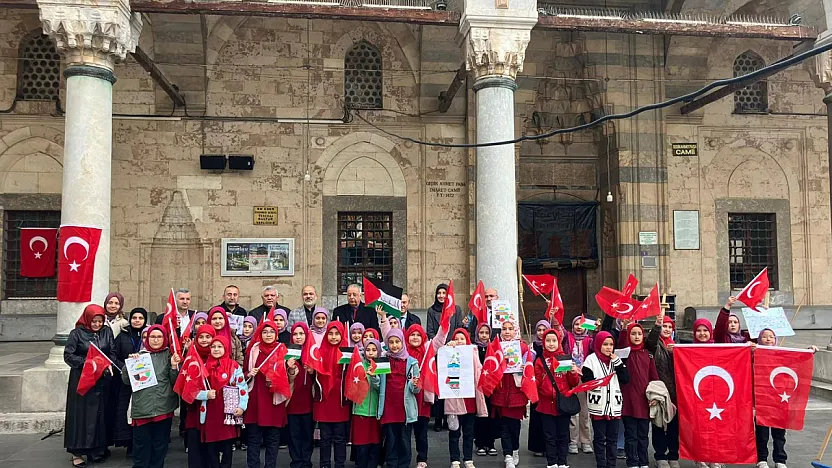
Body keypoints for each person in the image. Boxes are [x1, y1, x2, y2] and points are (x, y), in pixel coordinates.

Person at [64, 304, 117, 467]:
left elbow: (112, 351)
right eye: (94, 321)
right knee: (81, 416)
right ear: (87, 319)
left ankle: (97, 449)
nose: (97, 325)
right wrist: (88, 363)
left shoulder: (107, 332)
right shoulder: (77, 334)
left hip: (101, 380)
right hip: (82, 381)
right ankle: (77, 451)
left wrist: (106, 363)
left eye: (100, 321)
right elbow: (69, 355)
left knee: (99, 415)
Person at [122, 324, 181, 468]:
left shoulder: (170, 356)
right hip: (142, 410)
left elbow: (175, 382)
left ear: (165, 338)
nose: (156, 340)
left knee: (159, 449)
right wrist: (129, 365)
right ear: (147, 338)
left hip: (163, 408)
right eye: (152, 337)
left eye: (159, 337)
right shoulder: (140, 356)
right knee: (141, 449)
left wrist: (174, 367)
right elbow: (125, 380)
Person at [198, 335, 249, 468]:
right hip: (210, 413)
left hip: (227, 414)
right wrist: (205, 394)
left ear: (226, 348)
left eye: (220, 346)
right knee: (211, 448)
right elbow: (194, 389)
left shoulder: (234, 366)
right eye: (213, 346)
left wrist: (242, 407)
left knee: (227, 447)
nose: (216, 349)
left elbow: (242, 388)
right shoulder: (203, 367)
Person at [245, 320, 289, 468]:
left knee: (273, 439)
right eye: (265, 332)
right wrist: (249, 373)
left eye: (272, 332)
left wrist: (290, 369)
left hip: (273, 400)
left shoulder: (282, 349)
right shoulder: (253, 350)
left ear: (277, 334)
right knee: (253, 438)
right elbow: (243, 372)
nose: (268, 335)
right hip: (255, 400)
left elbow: (289, 375)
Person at [535, 328, 581, 468]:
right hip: (546, 405)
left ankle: (562, 462)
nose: (551, 343)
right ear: (543, 343)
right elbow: (536, 383)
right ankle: (552, 462)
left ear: (559, 342)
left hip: (563, 404)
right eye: (548, 341)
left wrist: (573, 373)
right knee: (549, 437)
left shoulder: (565, 358)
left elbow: (573, 383)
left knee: (563, 436)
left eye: (554, 340)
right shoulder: (540, 361)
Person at [582, 331, 630, 468]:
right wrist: (599, 382)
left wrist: (618, 362)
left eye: (611, 344)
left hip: (614, 406)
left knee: (612, 439)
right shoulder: (591, 360)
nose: (609, 348)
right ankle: (601, 464)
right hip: (598, 406)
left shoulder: (616, 360)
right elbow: (586, 380)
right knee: (599, 439)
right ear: (598, 344)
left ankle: (611, 464)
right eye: (605, 344)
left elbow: (625, 379)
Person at [404, 320, 448, 468]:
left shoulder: (428, 348)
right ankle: (404, 458)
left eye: (418, 335)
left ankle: (422, 458)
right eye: (412, 335)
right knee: (405, 433)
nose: (415, 337)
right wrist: (384, 320)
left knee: (421, 432)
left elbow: (439, 339)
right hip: (407, 398)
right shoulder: (402, 350)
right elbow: (388, 338)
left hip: (422, 398)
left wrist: (445, 323)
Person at [445, 328, 488, 468]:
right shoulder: (448, 353)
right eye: (456, 338)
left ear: (467, 340)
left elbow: (480, 371)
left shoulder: (473, 354)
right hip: (454, 400)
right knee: (454, 432)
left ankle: (468, 459)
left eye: (462, 338)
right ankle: (455, 459)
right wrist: (446, 348)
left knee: (469, 432)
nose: (459, 341)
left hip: (470, 400)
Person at [489, 319, 530, 468]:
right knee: (504, 426)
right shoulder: (496, 347)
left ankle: (515, 450)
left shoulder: (523, 348)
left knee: (515, 426)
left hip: (517, 393)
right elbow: (490, 365)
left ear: (515, 331)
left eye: (510, 328)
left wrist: (525, 366)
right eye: (504, 328)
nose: (507, 331)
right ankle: (507, 455)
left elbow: (529, 368)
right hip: (501, 392)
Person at [378, 328, 421, 468]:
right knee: (391, 440)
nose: (394, 345)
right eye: (391, 342)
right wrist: (373, 377)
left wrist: (415, 384)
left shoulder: (412, 362)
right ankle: (391, 464)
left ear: (402, 342)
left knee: (404, 440)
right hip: (389, 407)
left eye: (397, 342)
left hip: (404, 408)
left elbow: (416, 388)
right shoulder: (383, 360)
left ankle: (404, 464)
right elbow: (378, 384)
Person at [619, 322, 660, 468]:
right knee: (631, 436)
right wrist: (624, 329)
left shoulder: (647, 355)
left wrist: (655, 396)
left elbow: (654, 377)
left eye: (639, 334)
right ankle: (632, 462)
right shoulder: (624, 355)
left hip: (644, 401)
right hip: (628, 401)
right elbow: (621, 343)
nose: (636, 337)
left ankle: (643, 462)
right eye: (633, 333)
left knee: (643, 435)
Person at [426, 283, 465, 432]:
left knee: (451, 384)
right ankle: (437, 418)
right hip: (438, 352)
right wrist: (440, 344)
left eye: (444, 293)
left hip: (453, 352)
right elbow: (429, 331)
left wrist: (453, 341)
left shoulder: (457, 309)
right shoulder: (431, 311)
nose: (441, 296)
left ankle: (450, 415)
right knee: (439, 387)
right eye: (439, 293)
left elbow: (458, 328)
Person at [113, 307, 148, 455]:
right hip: (126, 380)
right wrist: (125, 367)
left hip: (145, 380)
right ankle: (129, 443)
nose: (137, 321)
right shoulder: (123, 336)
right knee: (126, 409)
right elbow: (114, 354)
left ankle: (142, 443)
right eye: (134, 318)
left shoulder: (149, 334)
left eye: (140, 318)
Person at [315, 322, 351, 468]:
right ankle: (324, 464)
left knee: (339, 437)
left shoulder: (347, 353)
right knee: (324, 437)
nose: (334, 337)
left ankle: (339, 464)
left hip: (340, 400)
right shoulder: (319, 352)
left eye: (337, 334)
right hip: (324, 400)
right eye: (331, 333)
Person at [646, 310, 679, 468]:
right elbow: (650, 342)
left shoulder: (676, 346)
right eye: (664, 326)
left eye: (669, 326)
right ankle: (660, 456)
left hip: (675, 393)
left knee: (674, 428)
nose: (666, 329)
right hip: (660, 391)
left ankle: (673, 455)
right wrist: (656, 326)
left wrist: (676, 354)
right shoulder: (655, 344)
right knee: (658, 425)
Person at [183, 325, 215, 468]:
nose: (204, 340)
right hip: (194, 409)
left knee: (212, 451)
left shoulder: (218, 355)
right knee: (195, 449)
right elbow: (185, 383)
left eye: (208, 337)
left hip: (214, 409)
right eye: (201, 337)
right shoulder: (191, 356)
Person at [350, 338, 383, 468]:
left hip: (375, 411)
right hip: (360, 410)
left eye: (374, 350)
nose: (371, 352)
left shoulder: (381, 366)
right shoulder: (358, 365)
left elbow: (381, 388)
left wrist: (374, 376)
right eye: (368, 350)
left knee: (374, 442)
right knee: (361, 443)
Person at [564, 316, 594, 455]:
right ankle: (573, 441)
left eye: (582, 324)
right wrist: (554, 316)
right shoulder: (567, 337)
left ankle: (586, 441)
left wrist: (596, 328)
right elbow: (558, 330)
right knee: (573, 412)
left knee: (584, 411)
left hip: (584, 378)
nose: (579, 327)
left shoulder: (590, 340)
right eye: (576, 324)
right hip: (571, 376)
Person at [287, 322, 314, 468]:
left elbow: (319, 377)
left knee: (307, 435)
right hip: (292, 401)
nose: (298, 337)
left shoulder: (312, 352)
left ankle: (306, 461)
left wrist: (312, 372)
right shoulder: (287, 353)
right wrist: (288, 367)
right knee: (294, 435)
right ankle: (296, 462)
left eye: (301, 334)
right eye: (295, 334)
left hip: (308, 401)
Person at [474, 323, 499, 457]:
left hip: (491, 386)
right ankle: (480, 443)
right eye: (481, 332)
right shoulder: (473, 349)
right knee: (480, 416)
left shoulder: (493, 348)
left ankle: (490, 443)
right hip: (478, 387)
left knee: (491, 415)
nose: (484, 335)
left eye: (486, 333)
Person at [529, 319, 551, 457]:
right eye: (539, 330)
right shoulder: (532, 347)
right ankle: (537, 446)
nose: (542, 333)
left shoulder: (552, 343)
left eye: (544, 330)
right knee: (537, 416)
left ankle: (550, 445)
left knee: (549, 418)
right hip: (536, 385)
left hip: (550, 387)